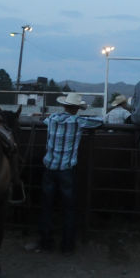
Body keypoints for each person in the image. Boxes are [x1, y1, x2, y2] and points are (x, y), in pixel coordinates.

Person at [34, 92, 103, 254]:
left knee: (47, 206)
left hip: (49, 168)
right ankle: (67, 245)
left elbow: (40, 119)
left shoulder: (51, 119)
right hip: (66, 170)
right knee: (68, 208)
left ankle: (45, 241)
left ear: (64, 106)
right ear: (77, 108)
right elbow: (99, 122)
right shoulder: (78, 121)